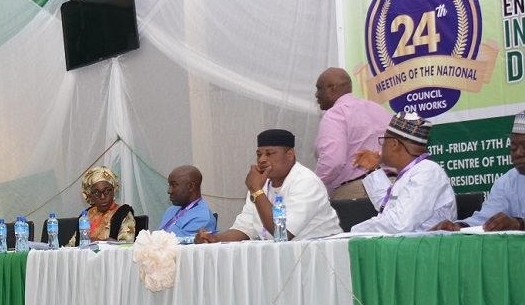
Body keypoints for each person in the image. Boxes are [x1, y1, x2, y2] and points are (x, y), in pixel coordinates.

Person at [195, 129, 340, 243]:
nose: (262, 159)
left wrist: (256, 191)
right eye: (259, 154)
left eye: (269, 154)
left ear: (290, 154)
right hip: (279, 257)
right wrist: (216, 239)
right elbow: (245, 228)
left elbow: (281, 233)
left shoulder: (306, 182)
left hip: (317, 258)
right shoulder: (260, 183)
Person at [350, 111, 456, 233]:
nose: (381, 146)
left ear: (394, 144)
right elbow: (388, 208)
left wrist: (353, 232)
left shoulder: (428, 172)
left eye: (383, 141)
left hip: (424, 248)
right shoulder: (412, 172)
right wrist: (374, 169)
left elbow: (398, 223)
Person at [431, 110, 525, 232]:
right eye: (513, 148)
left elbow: (516, 224)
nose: (517, 153)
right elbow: (486, 218)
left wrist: (518, 224)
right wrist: (460, 227)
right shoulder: (507, 182)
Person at [313, 67, 393, 200]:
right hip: (392, 185)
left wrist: (312, 185)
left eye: (319, 88)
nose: (316, 95)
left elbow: (333, 162)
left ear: (332, 88)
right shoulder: (379, 110)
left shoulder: (335, 115)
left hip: (358, 193)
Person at [71, 166, 136, 243]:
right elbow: (73, 245)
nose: (102, 197)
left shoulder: (123, 213)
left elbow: (126, 246)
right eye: (96, 193)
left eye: (107, 191)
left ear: (114, 191)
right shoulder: (87, 215)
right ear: (90, 196)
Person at [158, 165, 217, 237]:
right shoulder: (171, 210)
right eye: (169, 185)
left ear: (191, 187)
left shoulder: (203, 218)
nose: (169, 191)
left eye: (174, 185)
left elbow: (175, 245)